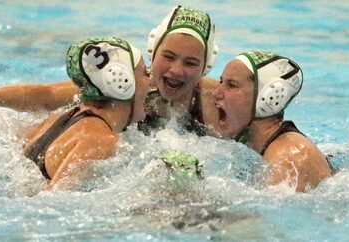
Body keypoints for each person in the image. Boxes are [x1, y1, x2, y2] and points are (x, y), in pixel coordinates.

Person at [0, 37, 150, 190]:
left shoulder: (62, 117)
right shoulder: (99, 138)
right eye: (145, 73)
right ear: (121, 83)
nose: (150, 82)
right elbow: (53, 199)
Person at [212, 50, 334, 192]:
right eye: (221, 82)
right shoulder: (250, 140)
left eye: (232, 85)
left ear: (268, 97)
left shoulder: (286, 157)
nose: (216, 93)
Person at [138, 5, 221, 136]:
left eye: (190, 63)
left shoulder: (216, 101)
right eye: (168, 57)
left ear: (206, 67)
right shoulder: (129, 91)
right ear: (152, 53)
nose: (176, 71)